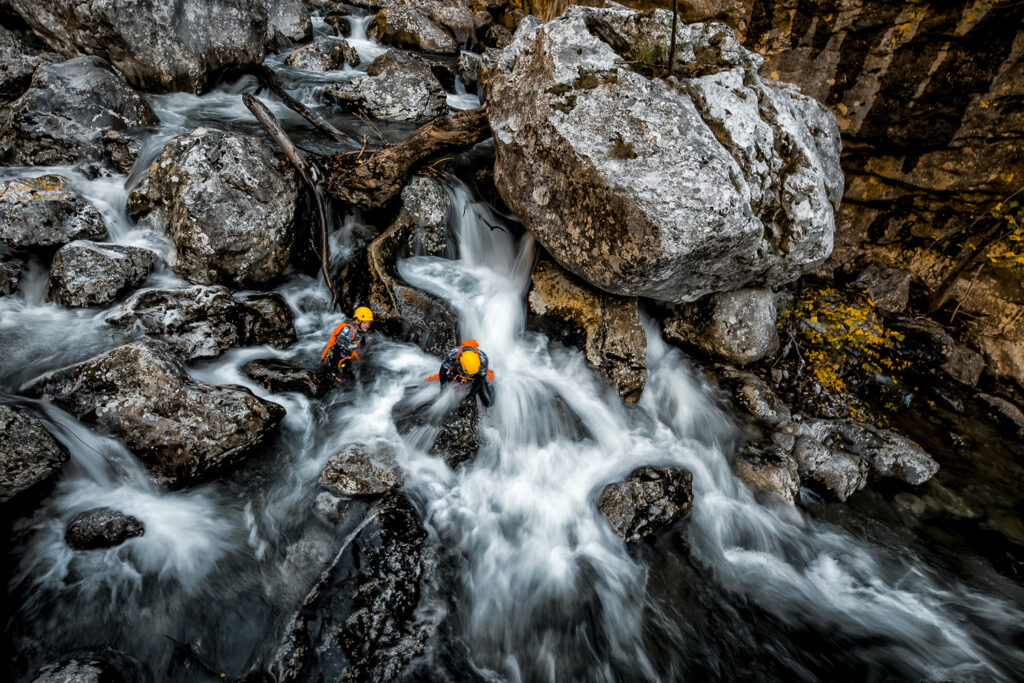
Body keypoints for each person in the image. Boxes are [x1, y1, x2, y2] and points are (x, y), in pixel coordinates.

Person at [426, 339, 495, 406]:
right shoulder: (454, 354)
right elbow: (443, 371)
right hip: (457, 372)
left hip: (476, 377)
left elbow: (481, 377)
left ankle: (489, 386)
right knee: (432, 381)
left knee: (488, 402)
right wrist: (443, 387)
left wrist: (472, 394)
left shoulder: (483, 358)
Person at [320, 306, 373, 382]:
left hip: (348, 354)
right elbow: (338, 348)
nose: (368, 325)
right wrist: (333, 370)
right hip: (337, 358)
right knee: (348, 379)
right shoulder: (349, 330)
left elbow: (357, 343)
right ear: (357, 321)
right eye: (365, 322)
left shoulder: (361, 330)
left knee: (363, 371)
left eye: (369, 322)